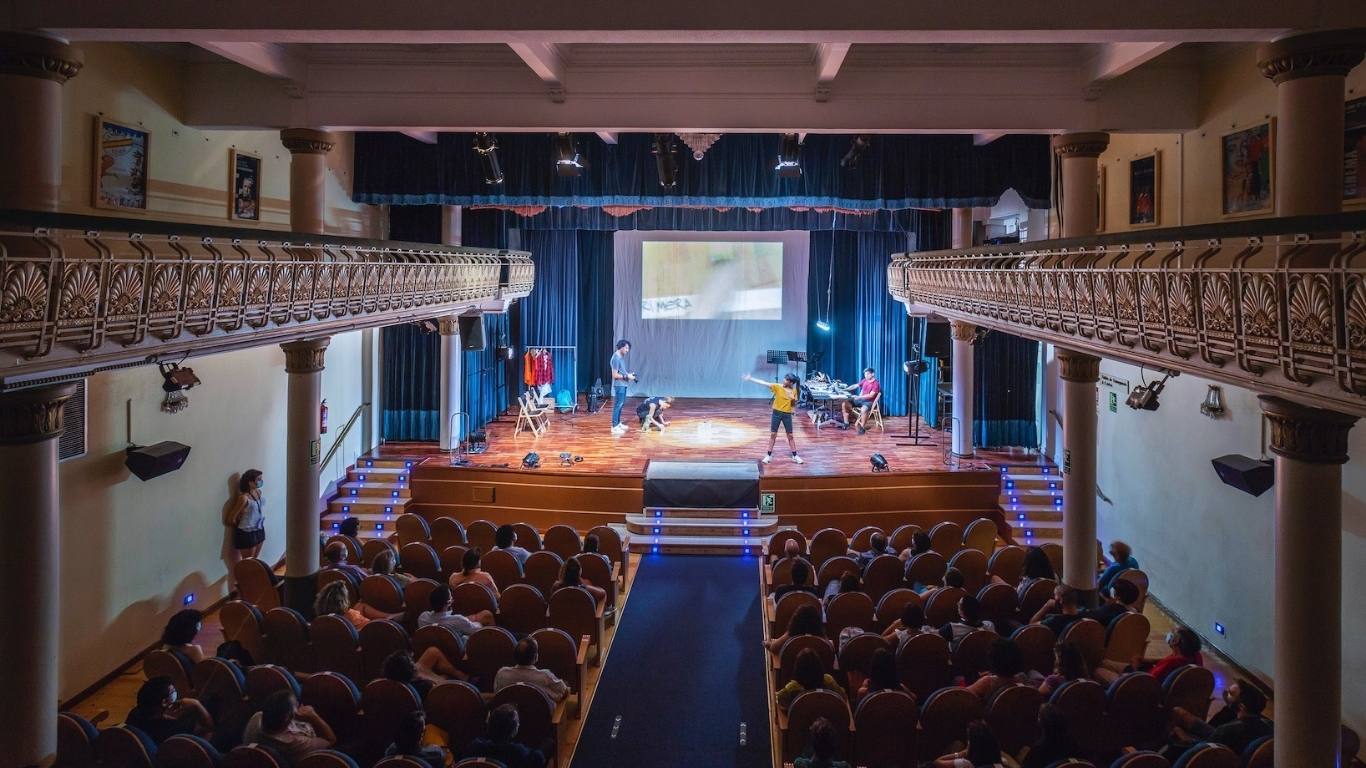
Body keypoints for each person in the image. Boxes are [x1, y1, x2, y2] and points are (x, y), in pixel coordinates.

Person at [1166, 681, 1272, 759]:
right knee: (1179, 712)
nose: (1225, 694)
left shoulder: (1226, 730)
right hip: (1222, 742)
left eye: (1230, 694)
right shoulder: (1268, 726)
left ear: (1242, 707)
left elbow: (1202, 752)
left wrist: (1183, 736)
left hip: (1212, 751)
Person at [249, 689, 336, 762]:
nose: (299, 705)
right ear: (287, 718)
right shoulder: (295, 744)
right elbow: (330, 740)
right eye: (296, 705)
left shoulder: (256, 718)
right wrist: (314, 716)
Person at [125, 676, 213, 743]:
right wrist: (197, 704)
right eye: (173, 691)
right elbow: (209, 728)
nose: (175, 692)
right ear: (164, 702)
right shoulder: (176, 727)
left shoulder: (134, 714)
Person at [741, 372, 804, 464]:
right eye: (784, 378)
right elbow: (764, 383)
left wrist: (793, 400)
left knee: (790, 435)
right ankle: (768, 455)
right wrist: (750, 378)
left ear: (791, 383)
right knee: (773, 434)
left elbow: (793, 404)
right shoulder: (778, 387)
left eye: (786, 380)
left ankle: (795, 455)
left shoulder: (794, 391)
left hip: (787, 415)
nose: (784, 380)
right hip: (776, 413)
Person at [461, 703, 547, 768]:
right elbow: (539, 759)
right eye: (517, 724)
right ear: (514, 730)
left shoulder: (474, 746)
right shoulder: (518, 752)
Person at [494, 637, 570, 702]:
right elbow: (564, 692)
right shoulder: (545, 676)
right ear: (535, 657)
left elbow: (497, 694)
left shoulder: (502, 673)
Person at [224, 469, 266, 581]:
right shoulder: (243, 498)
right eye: (258, 480)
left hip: (259, 528)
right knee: (248, 562)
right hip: (247, 532)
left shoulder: (258, 493)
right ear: (250, 482)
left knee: (255, 560)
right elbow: (231, 518)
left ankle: (253, 581)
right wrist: (243, 522)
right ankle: (246, 583)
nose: (260, 481)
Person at [776, 648, 847, 712]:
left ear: (797, 670)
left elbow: (778, 698)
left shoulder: (792, 688)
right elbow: (842, 697)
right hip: (829, 721)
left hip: (800, 722)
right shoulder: (829, 680)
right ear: (820, 667)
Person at [313, 579, 400, 630]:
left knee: (361, 605)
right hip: (370, 629)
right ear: (342, 600)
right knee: (384, 620)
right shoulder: (350, 615)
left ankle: (390, 616)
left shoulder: (322, 618)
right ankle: (391, 617)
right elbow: (370, 627)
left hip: (347, 623)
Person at [419, 584, 493, 638]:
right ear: (448, 603)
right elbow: (476, 629)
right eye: (451, 597)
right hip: (457, 650)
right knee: (486, 617)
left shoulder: (422, 618)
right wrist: (478, 622)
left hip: (438, 645)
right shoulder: (458, 620)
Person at [1138, 626, 1203, 683]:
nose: (1169, 635)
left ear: (1176, 641)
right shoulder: (1196, 656)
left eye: (1172, 634)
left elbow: (1149, 680)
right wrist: (1150, 661)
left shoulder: (1171, 662)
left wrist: (1134, 668)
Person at [935, 720, 1005, 768]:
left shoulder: (966, 764)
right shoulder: (999, 763)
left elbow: (937, 762)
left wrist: (961, 753)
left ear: (975, 747)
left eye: (969, 740)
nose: (967, 743)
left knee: (957, 744)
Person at [841, 367, 883, 435]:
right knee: (845, 404)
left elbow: (871, 395)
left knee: (864, 409)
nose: (866, 376)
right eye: (865, 374)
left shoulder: (876, 384)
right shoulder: (864, 380)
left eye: (867, 374)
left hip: (869, 402)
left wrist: (859, 397)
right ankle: (846, 423)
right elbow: (855, 386)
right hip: (861, 400)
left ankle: (862, 428)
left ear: (873, 374)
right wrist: (845, 389)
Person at [609, 339, 637, 435]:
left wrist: (628, 374)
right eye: (626, 348)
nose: (627, 350)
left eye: (628, 348)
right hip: (619, 385)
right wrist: (627, 376)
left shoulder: (620, 357)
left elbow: (621, 372)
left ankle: (618, 423)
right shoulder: (616, 358)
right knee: (618, 405)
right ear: (621, 347)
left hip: (623, 384)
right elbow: (614, 375)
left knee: (621, 405)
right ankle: (614, 426)